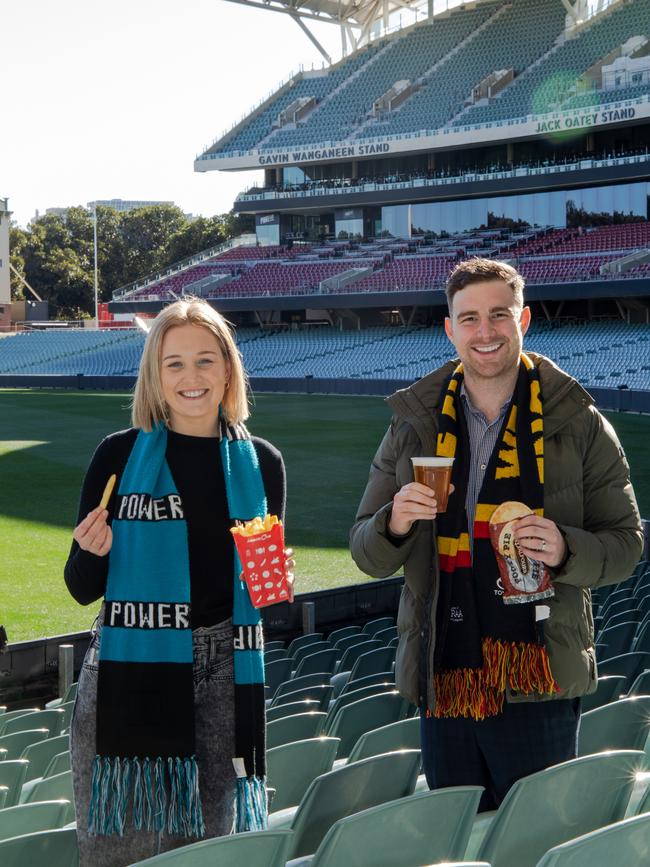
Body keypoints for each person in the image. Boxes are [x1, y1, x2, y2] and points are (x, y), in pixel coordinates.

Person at [350, 257, 642, 812]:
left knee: (533, 837)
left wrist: (565, 549)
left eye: (499, 315)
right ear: (449, 328)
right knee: (454, 839)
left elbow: (626, 544)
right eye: (470, 318)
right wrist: (393, 523)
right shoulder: (413, 422)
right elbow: (366, 552)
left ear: (523, 319)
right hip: (445, 675)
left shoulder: (578, 422)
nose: (485, 332)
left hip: (540, 677)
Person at [65, 298, 292, 866]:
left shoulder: (262, 463)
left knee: (208, 851)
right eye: (175, 364)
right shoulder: (118, 455)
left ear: (228, 369)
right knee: (124, 851)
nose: (192, 378)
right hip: (131, 665)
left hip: (226, 668)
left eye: (205, 361)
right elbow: (80, 586)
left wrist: (275, 578)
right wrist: (93, 552)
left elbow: (267, 601)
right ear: (155, 375)